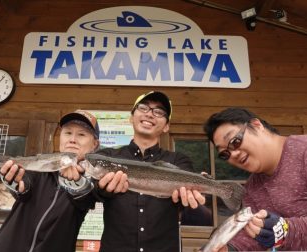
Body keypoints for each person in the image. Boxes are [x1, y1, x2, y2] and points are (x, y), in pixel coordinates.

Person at [63, 91, 206, 252]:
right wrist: (102, 191)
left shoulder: (179, 161)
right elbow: (84, 200)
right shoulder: (106, 156)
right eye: (143, 108)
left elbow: (187, 196)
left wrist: (186, 197)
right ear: (131, 117)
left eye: (158, 112)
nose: (150, 114)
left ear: (166, 126)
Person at [203, 107, 307, 251]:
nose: (234, 154)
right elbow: (257, 234)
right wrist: (230, 248)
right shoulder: (253, 187)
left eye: (235, 142)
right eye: (225, 154)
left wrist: (287, 230)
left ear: (257, 125)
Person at [0, 110, 127, 252]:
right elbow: (24, 188)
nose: (72, 139)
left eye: (81, 134)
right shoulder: (40, 165)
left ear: (94, 145)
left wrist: (76, 184)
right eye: (67, 133)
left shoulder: (94, 177)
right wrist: (15, 182)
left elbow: (85, 198)